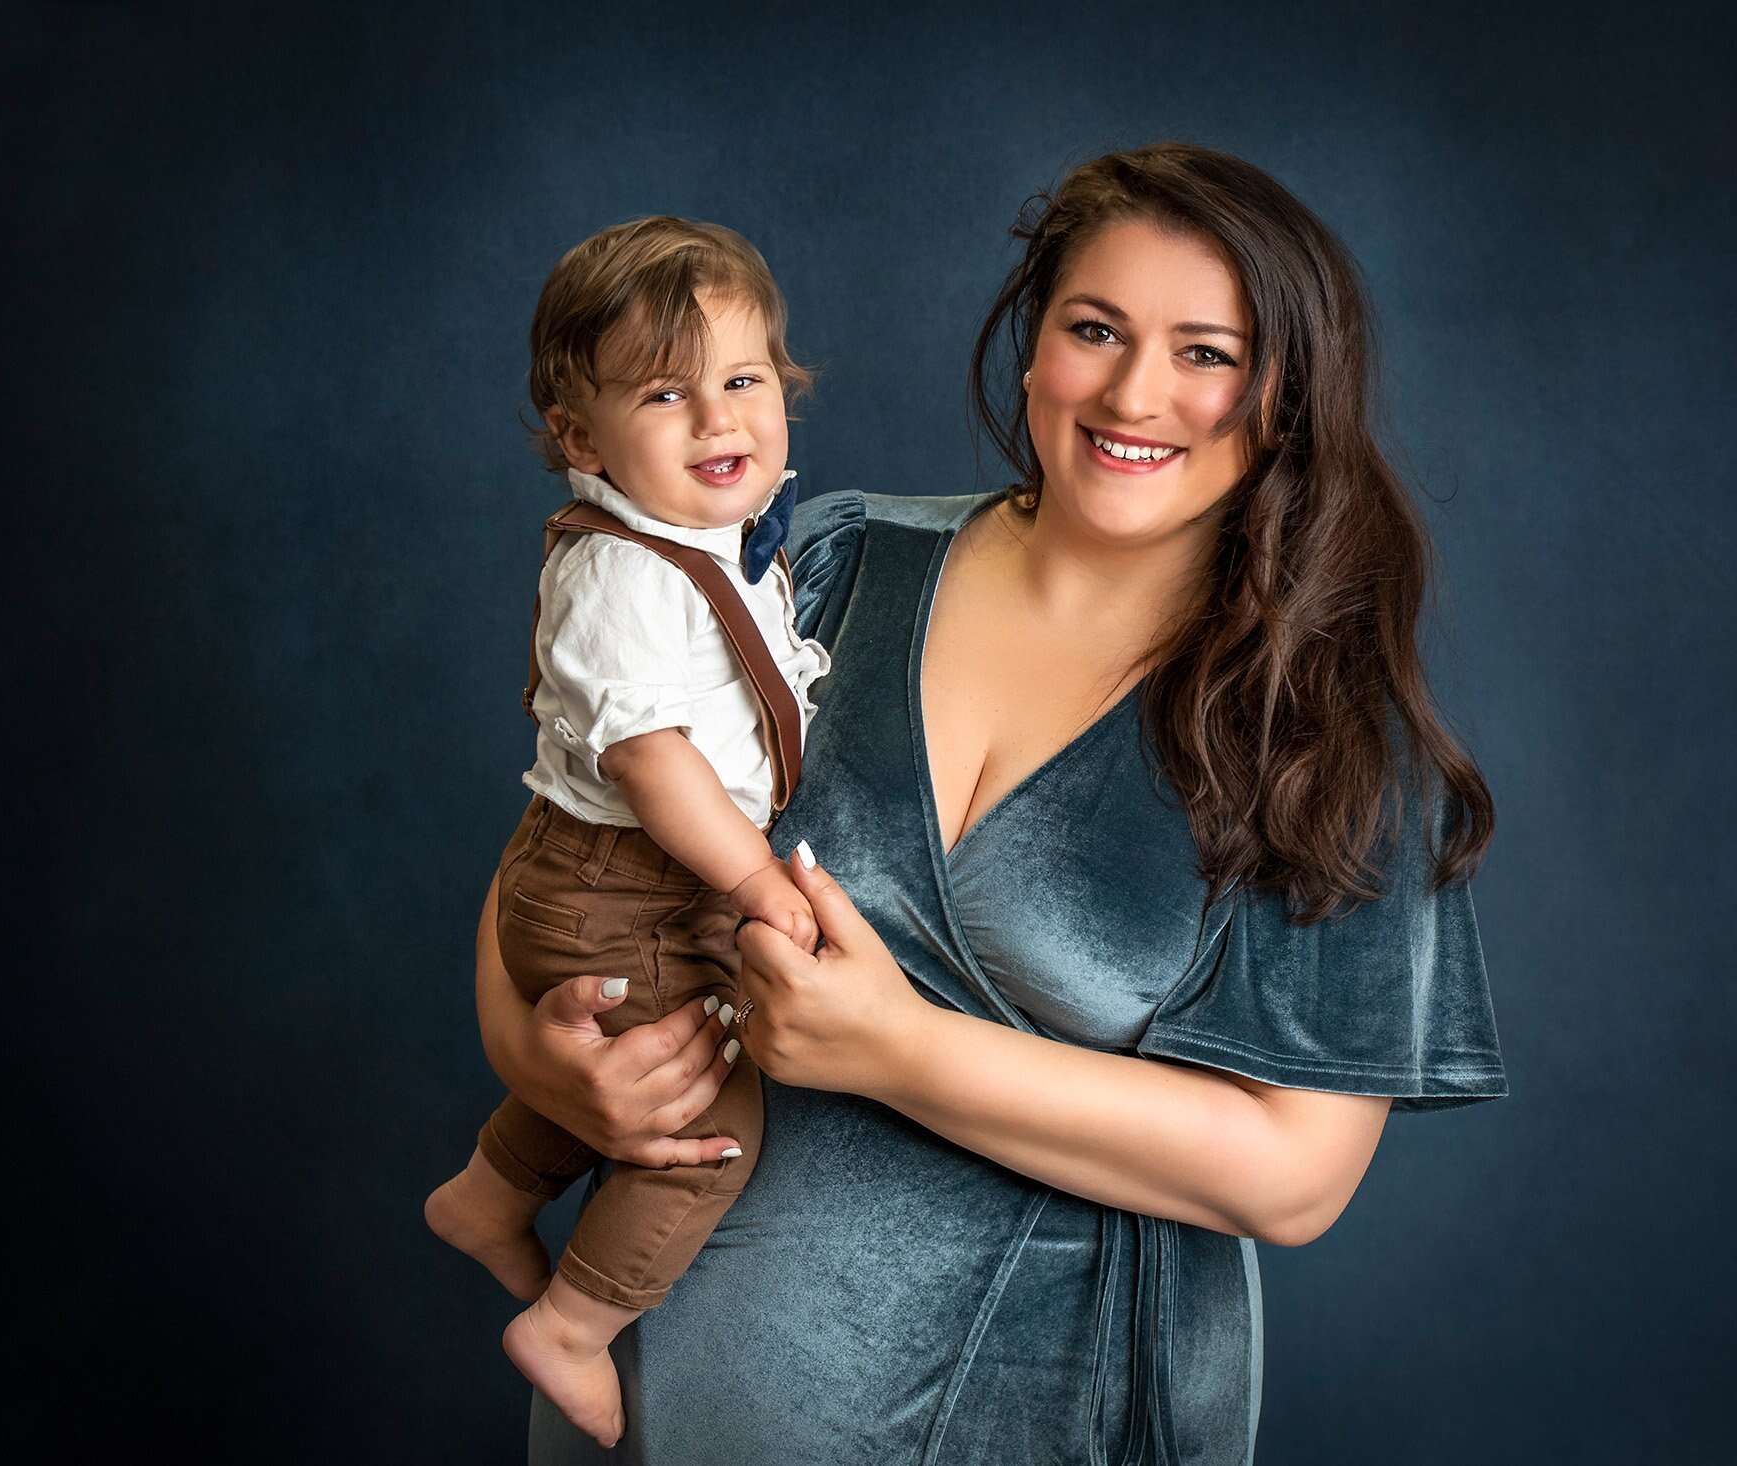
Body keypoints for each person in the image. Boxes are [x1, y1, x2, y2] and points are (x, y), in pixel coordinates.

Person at [473, 143, 1508, 1465]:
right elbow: (550, 873)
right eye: (1095, 329)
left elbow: (1293, 1177)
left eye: (1206, 351)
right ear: (1034, 349)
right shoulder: (829, 564)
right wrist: (545, 1060)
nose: (1137, 391)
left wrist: (900, 1047)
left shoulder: (1323, 731)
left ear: (1287, 393)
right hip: (636, 1402)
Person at [424, 215, 829, 1450]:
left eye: (743, 380)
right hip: (625, 886)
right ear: (578, 436)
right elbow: (654, 763)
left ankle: (487, 1193)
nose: (718, 420)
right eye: (666, 391)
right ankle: (572, 1324)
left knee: (624, 1060)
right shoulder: (619, 572)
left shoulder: (710, 540)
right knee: (704, 1123)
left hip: (619, 881)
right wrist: (758, 876)